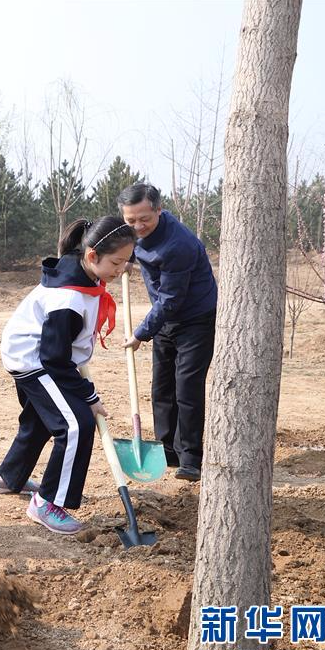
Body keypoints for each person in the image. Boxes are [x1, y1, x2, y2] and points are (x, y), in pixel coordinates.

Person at [0, 217, 135, 534]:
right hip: (34, 359)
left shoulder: (82, 274)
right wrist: (89, 396)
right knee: (75, 424)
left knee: (42, 419)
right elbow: (55, 359)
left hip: (37, 353)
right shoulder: (67, 299)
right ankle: (47, 503)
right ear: (91, 256)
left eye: (126, 262)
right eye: (116, 262)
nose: (121, 270)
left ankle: (7, 477)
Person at [117, 183, 217, 482]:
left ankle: (191, 458)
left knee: (186, 387)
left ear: (159, 210)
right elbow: (125, 245)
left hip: (194, 319)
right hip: (165, 317)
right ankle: (166, 450)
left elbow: (172, 299)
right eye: (130, 221)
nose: (137, 226)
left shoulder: (178, 244)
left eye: (143, 219)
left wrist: (140, 333)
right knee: (162, 388)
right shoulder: (134, 233)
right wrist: (126, 260)